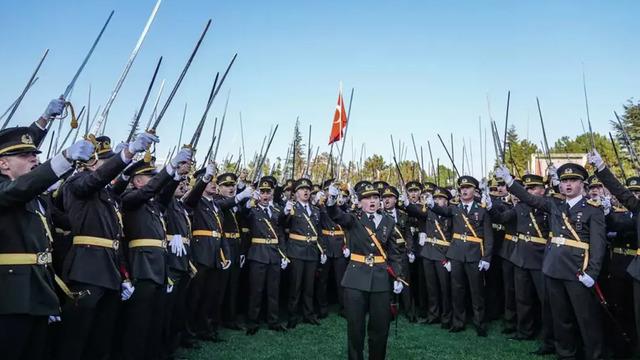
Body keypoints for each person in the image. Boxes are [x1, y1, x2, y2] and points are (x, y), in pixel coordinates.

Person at [0, 106, 95, 360]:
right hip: (9, 297)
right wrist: (63, 158)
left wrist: (44, 120)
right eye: (26, 156)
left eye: (36, 154)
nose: (35, 159)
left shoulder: (34, 199)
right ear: (3, 163)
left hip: (38, 289)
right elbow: (19, 188)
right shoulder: (7, 191)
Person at [54, 133, 157, 360]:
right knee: (76, 336)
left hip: (109, 270)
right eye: (107, 161)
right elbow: (96, 179)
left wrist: (124, 275)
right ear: (90, 162)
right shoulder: (77, 182)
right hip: (86, 268)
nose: (112, 167)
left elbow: (115, 238)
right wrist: (126, 154)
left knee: (102, 335)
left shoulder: (108, 195)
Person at [496, 163, 606, 359]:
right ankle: (566, 353)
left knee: (585, 317)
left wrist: (592, 272)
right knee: (560, 317)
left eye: (573, 180)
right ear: (560, 185)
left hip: (578, 270)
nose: (568, 185)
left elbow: (598, 245)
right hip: (553, 268)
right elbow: (530, 198)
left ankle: (594, 354)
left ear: (582, 184)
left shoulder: (592, 209)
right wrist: (510, 182)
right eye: (564, 181)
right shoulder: (555, 204)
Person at [119, 148, 192, 360]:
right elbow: (148, 192)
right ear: (137, 181)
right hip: (142, 266)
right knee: (139, 322)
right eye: (150, 177)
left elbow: (165, 193)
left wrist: (176, 173)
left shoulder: (153, 205)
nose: (154, 181)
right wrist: (169, 169)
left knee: (155, 318)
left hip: (159, 266)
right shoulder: (130, 198)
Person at [325, 182, 405, 360]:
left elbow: (394, 252)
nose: (372, 201)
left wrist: (398, 276)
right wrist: (331, 200)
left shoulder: (388, 221)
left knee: (380, 328)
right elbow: (336, 215)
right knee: (355, 328)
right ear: (360, 202)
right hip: (355, 279)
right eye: (367, 198)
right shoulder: (353, 219)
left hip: (381, 279)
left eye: (375, 198)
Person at [416, 175, 494, 337]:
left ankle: (480, 323)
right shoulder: (455, 209)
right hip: (456, 254)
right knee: (457, 290)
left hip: (474, 255)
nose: (464, 190)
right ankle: (458, 322)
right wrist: (431, 204)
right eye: (462, 189)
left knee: (476, 291)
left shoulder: (482, 210)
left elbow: (488, 237)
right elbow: (442, 210)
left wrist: (486, 258)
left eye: (468, 188)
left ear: (474, 190)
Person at [244, 176, 289, 334]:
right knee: (256, 290)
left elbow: (281, 233)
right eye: (262, 192)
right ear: (258, 193)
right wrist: (249, 202)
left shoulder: (277, 210)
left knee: (273, 290)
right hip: (258, 253)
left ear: (272, 193)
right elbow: (244, 216)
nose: (265, 195)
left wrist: (283, 254)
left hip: (274, 254)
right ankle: (253, 322)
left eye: (268, 192)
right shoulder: (252, 209)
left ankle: (273, 320)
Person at [283, 178, 322, 328]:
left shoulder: (316, 210)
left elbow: (319, 232)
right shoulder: (291, 208)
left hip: (311, 250)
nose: (305, 191)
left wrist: (322, 249)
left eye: (307, 189)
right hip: (296, 250)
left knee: (309, 286)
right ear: (296, 193)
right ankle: (292, 316)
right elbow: (282, 223)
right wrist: (286, 212)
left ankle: (308, 314)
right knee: (295, 286)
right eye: (301, 189)